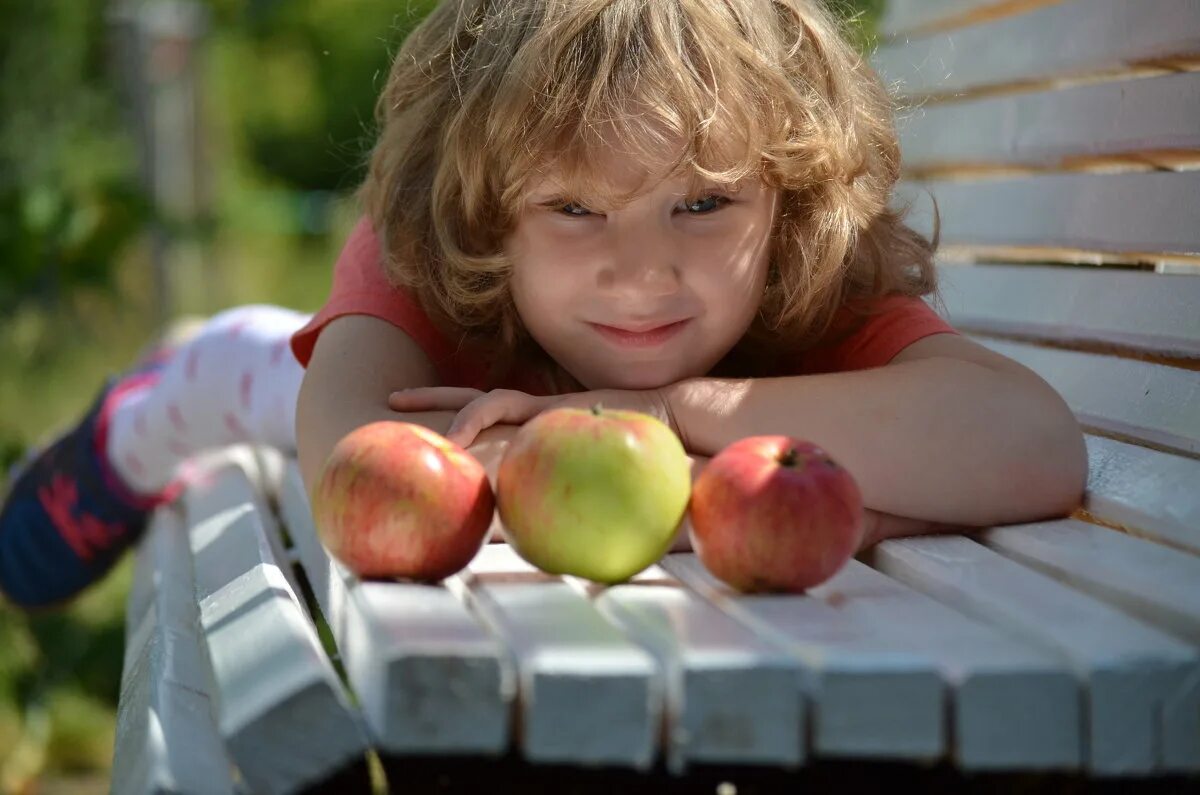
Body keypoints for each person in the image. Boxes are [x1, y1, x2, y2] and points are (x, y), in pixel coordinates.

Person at [0, 0, 1088, 610]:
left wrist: (661, 419)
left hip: (560, 442)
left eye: (701, 202)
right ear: (484, 213)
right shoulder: (431, 257)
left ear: (790, 198)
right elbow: (362, 458)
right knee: (254, 381)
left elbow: (1031, 441)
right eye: (572, 208)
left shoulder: (808, 280)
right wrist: (722, 489)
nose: (642, 272)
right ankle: (155, 407)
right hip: (288, 387)